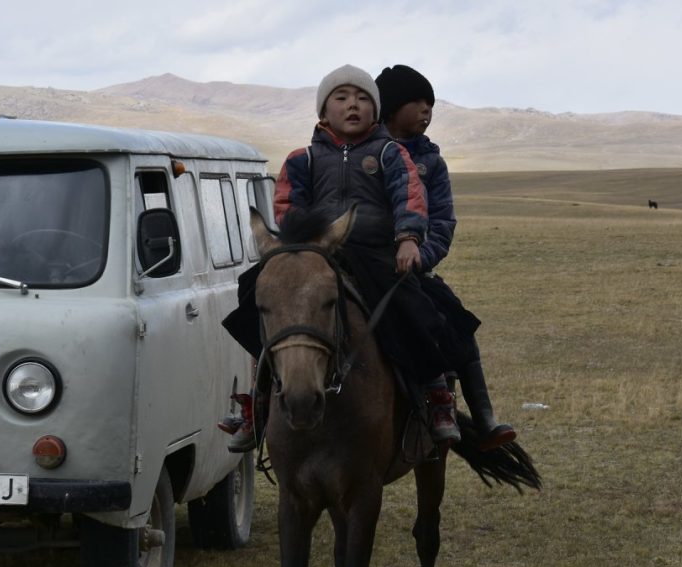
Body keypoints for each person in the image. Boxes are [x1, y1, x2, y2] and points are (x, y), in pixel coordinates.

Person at [221, 64, 459, 452]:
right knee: (255, 297)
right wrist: (308, 242)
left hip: (377, 255)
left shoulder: (390, 153)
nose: (353, 105)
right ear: (323, 111)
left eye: (363, 98)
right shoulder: (302, 159)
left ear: (375, 110)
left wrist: (408, 240)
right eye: (342, 97)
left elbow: (410, 196)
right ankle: (258, 402)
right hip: (319, 252)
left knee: (417, 309)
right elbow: (287, 206)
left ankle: (437, 397)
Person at [375, 64, 516, 451]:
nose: (427, 110)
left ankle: (483, 418)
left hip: (411, 269)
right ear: (392, 107)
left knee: (457, 323)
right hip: (364, 263)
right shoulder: (364, 153)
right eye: (418, 102)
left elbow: (441, 222)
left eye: (431, 104)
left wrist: (421, 258)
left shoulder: (432, 163)